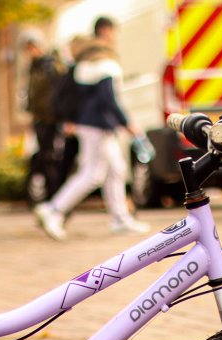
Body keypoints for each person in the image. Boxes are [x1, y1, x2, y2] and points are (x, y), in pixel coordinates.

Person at [33, 17, 149, 241]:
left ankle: (120, 218)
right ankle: (53, 210)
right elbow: (109, 99)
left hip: (90, 125)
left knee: (116, 169)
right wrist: (127, 123)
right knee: (92, 174)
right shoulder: (106, 64)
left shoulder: (83, 63)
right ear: (107, 33)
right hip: (98, 127)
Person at [21, 33, 68, 200]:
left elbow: (55, 92)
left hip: (52, 118)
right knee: (43, 156)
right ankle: (48, 195)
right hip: (40, 118)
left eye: (31, 47)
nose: (30, 52)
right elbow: (32, 94)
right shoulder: (33, 66)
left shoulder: (50, 65)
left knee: (50, 157)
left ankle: (55, 196)